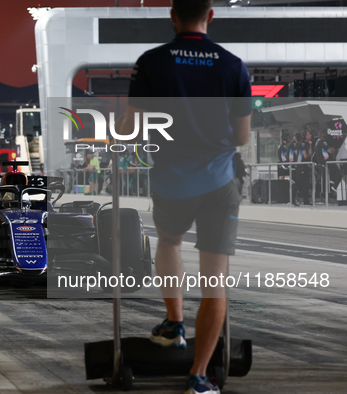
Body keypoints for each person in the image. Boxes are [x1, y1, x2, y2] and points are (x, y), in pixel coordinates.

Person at [117, 1, 251, 393]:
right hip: (218, 182)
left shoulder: (152, 62)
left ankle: (174, 323)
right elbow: (242, 136)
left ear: (173, 16)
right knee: (216, 277)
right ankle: (199, 376)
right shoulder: (232, 65)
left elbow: (134, 125)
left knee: (170, 242)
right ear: (210, 16)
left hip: (171, 181)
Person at [287, 132, 311, 205]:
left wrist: (310, 146)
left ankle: (306, 200)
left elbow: (310, 154)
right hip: (300, 166)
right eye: (309, 134)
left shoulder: (307, 144)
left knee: (306, 184)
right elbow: (306, 156)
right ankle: (291, 199)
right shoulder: (302, 144)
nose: (311, 135)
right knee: (298, 183)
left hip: (305, 166)